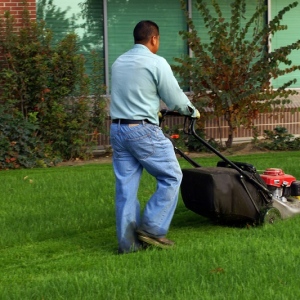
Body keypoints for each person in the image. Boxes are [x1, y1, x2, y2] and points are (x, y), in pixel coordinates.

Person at [110, 20, 200, 254]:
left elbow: (134, 93)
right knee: (171, 176)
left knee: (125, 188)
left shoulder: (119, 62)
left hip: (118, 130)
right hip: (142, 130)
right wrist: (191, 110)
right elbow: (175, 98)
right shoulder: (156, 62)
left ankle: (127, 245)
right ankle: (152, 228)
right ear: (153, 39)